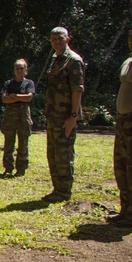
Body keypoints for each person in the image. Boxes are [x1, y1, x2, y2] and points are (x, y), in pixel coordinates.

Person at [42, 27, 85, 202]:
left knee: (64, 154)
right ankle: (57, 189)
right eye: (53, 39)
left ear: (67, 39)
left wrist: (73, 117)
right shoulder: (55, 59)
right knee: (53, 153)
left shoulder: (73, 60)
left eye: (60, 39)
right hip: (54, 115)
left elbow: (77, 90)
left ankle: (64, 191)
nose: (56, 42)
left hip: (66, 116)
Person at [109, 24, 132, 227]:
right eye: (131, 37)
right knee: (121, 166)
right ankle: (125, 209)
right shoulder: (128, 61)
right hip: (123, 120)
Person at [0, 58, 36, 176]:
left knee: (23, 142)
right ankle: (8, 168)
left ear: (26, 69)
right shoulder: (8, 83)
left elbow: (29, 97)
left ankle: (21, 169)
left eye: (21, 68)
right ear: (14, 69)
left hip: (23, 116)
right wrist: (21, 97)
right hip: (10, 116)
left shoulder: (29, 83)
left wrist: (15, 96)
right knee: (8, 143)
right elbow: (4, 99)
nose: (19, 70)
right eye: (17, 68)